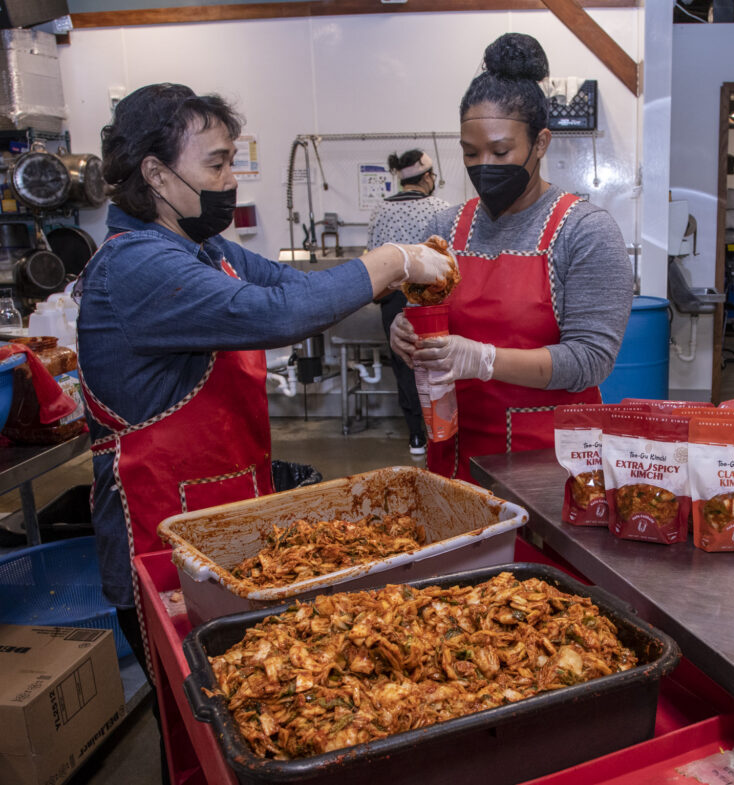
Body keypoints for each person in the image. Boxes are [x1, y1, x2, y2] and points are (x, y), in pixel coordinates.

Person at [75, 83, 453, 667]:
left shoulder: (207, 250)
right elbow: (279, 315)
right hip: (161, 544)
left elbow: (297, 289)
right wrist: (393, 260)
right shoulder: (135, 266)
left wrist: (388, 274)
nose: (232, 180)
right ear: (155, 174)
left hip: (227, 534)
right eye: (217, 164)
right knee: (192, 721)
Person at [390, 33, 633, 481]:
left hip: (551, 464)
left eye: (501, 151)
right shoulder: (445, 229)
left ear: (540, 143)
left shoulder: (584, 231)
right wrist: (404, 333)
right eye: (470, 152)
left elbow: (590, 360)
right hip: (458, 452)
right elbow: (425, 321)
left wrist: (483, 360)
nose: (484, 164)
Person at [366, 149, 450, 455]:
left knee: (405, 364)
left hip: (393, 299)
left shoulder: (380, 212)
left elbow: (372, 260)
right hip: (432, 300)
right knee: (435, 362)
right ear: (427, 178)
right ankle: (441, 431)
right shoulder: (441, 209)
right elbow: (449, 258)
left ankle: (416, 436)